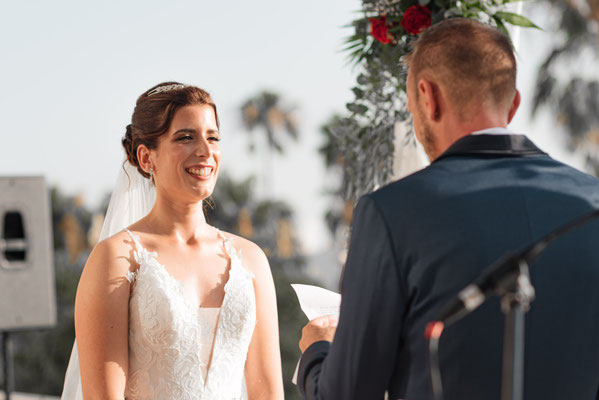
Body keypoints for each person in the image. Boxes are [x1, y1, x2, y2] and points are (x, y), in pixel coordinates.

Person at [297, 18, 599, 400]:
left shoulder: (391, 212)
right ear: (513, 103)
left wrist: (317, 351)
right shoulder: (592, 202)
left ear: (428, 97)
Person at [61, 82, 284, 400]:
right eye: (185, 137)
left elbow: (268, 392)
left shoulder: (251, 259)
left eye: (213, 137)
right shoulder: (117, 258)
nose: (206, 151)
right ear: (146, 157)